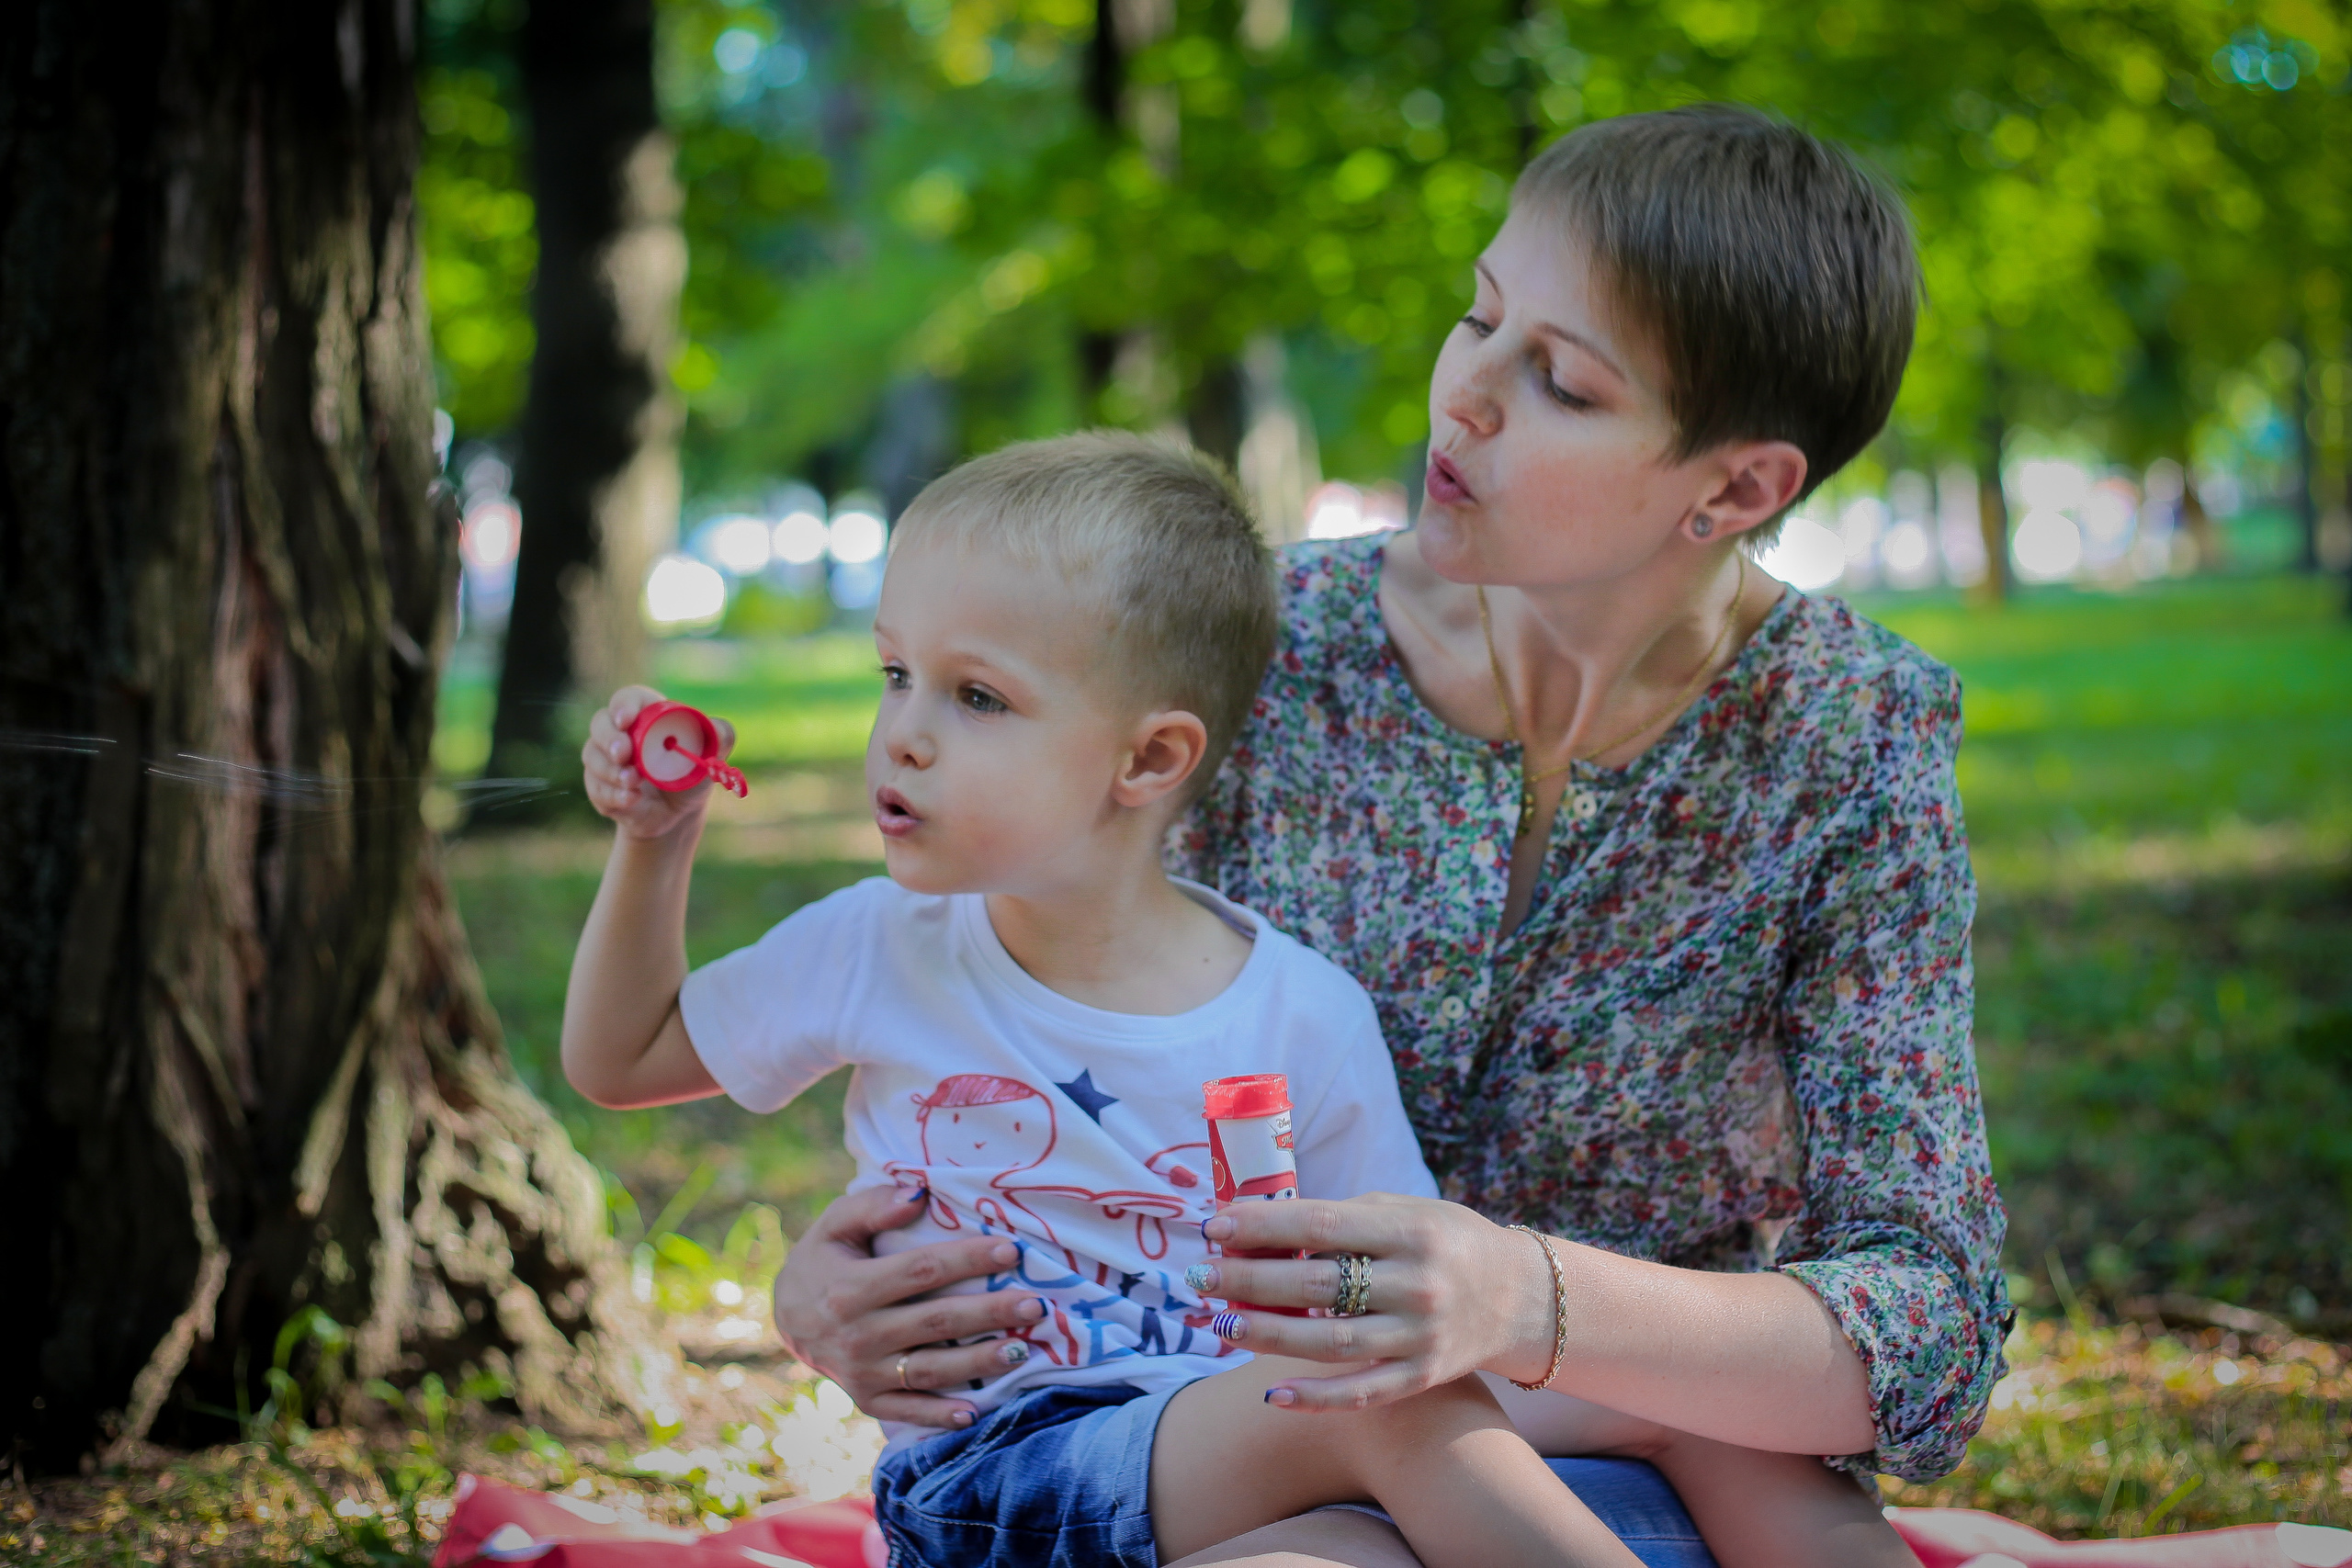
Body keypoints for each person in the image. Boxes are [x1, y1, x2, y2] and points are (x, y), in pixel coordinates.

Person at [765, 105, 2014, 1568]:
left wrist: (1521, 1298)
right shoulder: (1249, 659)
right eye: (1479, 317)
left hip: (1620, 1469)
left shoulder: (1849, 744)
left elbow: (1928, 1314)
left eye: (1557, 379)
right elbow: (976, 994)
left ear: (1736, 488)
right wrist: (836, 1288)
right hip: (1229, 1446)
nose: (1464, 395)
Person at [562, 433, 1914, 1568]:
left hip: (1231, 1447)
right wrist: (654, 845)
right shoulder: (882, 945)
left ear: (1149, 759)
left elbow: (1383, 1294)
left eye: (978, 696)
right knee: (1383, 1416)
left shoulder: (1299, 1012)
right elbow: (622, 1058)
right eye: (895, 674)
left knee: (1675, 1408)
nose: (903, 732)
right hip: (1004, 1476)